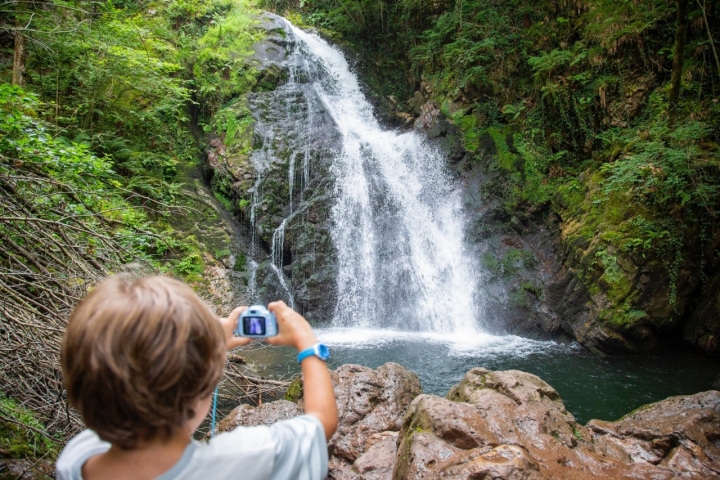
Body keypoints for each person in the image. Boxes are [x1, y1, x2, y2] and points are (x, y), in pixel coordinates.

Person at [56, 275, 338, 480]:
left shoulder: (75, 458)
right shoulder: (238, 461)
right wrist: (307, 341)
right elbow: (321, 421)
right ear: (203, 384)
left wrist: (203, 350)